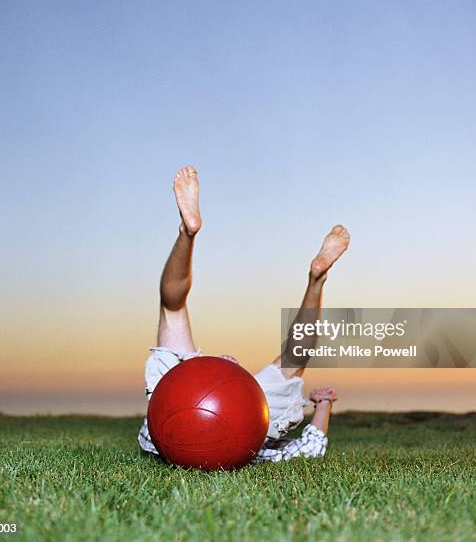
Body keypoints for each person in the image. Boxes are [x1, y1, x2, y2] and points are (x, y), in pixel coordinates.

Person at [138, 166, 350, 462]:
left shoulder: (160, 434)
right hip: (246, 413)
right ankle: (317, 280)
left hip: (176, 401)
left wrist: (324, 402)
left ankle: (188, 233)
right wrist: (324, 402)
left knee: (172, 308)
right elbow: (310, 446)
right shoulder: (254, 442)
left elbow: (310, 447)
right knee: (292, 359)